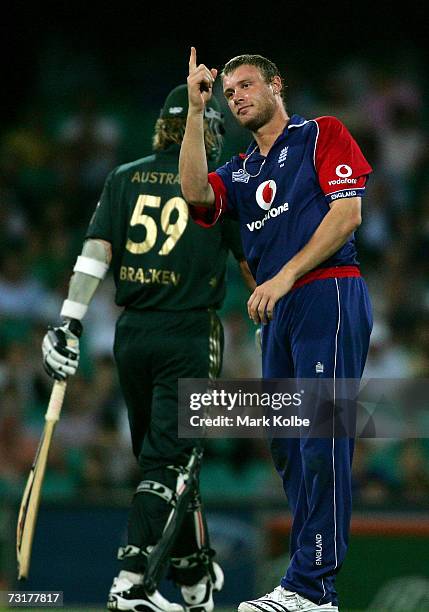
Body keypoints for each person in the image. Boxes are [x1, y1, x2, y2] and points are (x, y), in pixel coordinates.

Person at [42, 83, 254, 612]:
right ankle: (130, 581)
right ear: (208, 131)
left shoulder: (123, 177)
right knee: (171, 462)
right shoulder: (217, 187)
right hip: (188, 335)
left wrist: (68, 322)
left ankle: (193, 581)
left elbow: (95, 253)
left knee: (163, 464)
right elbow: (255, 271)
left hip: (131, 335)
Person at [179, 48, 373, 612]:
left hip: (327, 294)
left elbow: (347, 214)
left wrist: (285, 274)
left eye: (245, 85)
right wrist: (195, 112)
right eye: (228, 91)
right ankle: (309, 584)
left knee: (322, 438)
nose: (235, 95)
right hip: (279, 312)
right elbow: (195, 194)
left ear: (275, 85)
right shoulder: (242, 171)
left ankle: (312, 588)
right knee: (289, 447)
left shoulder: (322, 134)